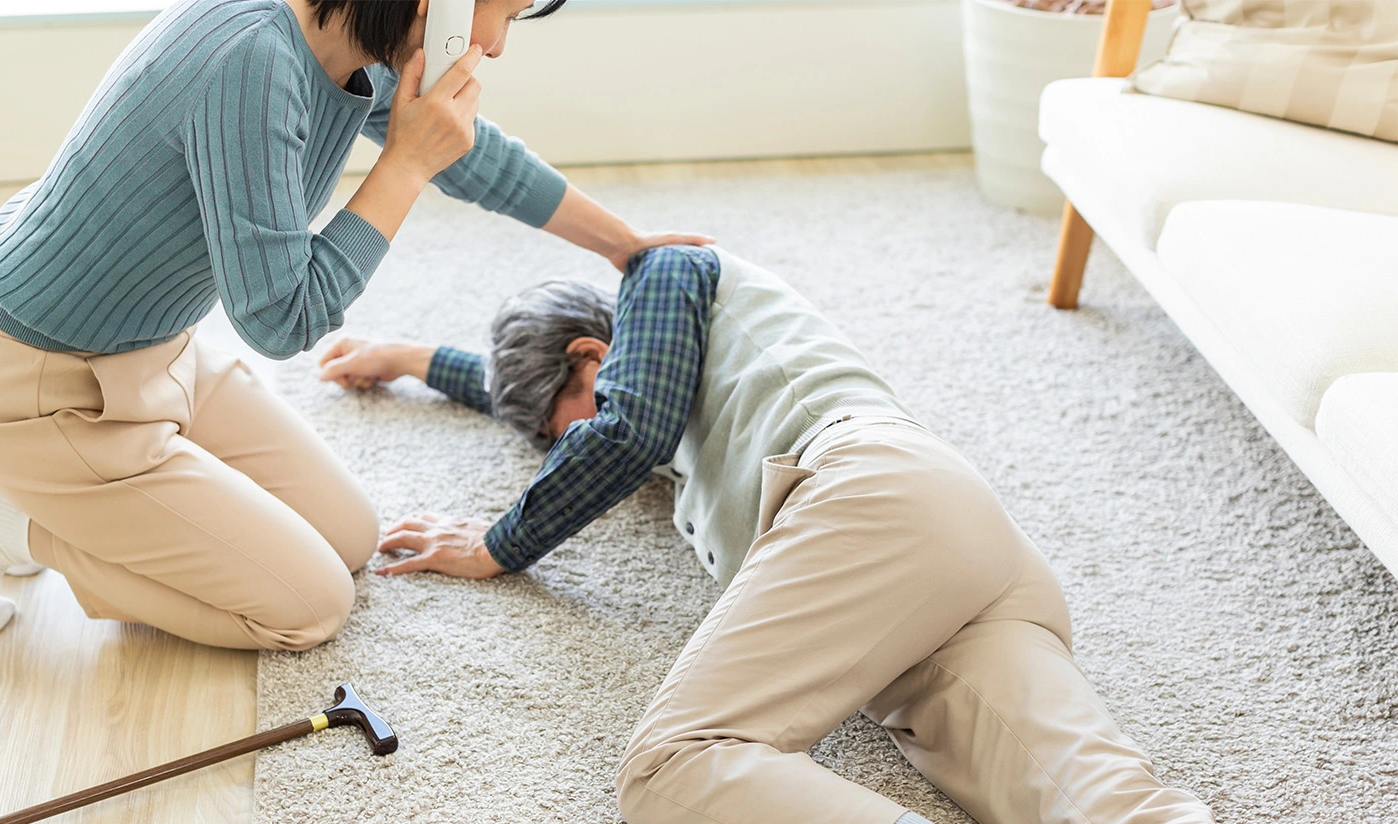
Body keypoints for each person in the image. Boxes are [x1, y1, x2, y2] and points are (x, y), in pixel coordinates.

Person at [315, 245, 1216, 824]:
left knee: (674, 767)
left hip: (869, 496)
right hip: (954, 563)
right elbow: (560, 398)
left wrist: (500, 543)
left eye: (566, 431)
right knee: (1093, 797)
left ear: (596, 355)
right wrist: (409, 358)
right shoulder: (653, 368)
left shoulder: (666, 276)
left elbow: (622, 427)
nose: (571, 456)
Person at [0, 0, 712, 648]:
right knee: (306, 610)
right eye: (496, 8)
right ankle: (3, 526)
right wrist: (403, 164)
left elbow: (477, 157)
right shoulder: (251, 60)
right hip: (39, 387)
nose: (495, 45)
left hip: (155, 349)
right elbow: (279, 318)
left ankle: (120, 494)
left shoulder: (349, 39)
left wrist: (624, 244)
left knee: (348, 539)